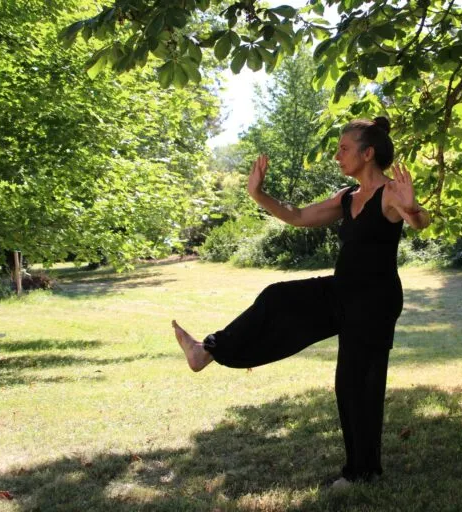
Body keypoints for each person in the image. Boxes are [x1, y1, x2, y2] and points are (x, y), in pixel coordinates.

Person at [172, 116, 430, 488]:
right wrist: (258, 195)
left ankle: (362, 472)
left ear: (367, 152)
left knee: (356, 383)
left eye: (344, 149)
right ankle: (207, 351)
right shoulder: (347, 198)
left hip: (374, 301)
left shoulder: (391, 193)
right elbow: (297, 216)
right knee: (278, 298)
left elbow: (419, 222)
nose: (338, 156)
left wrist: (414, 208)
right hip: (341, 292)